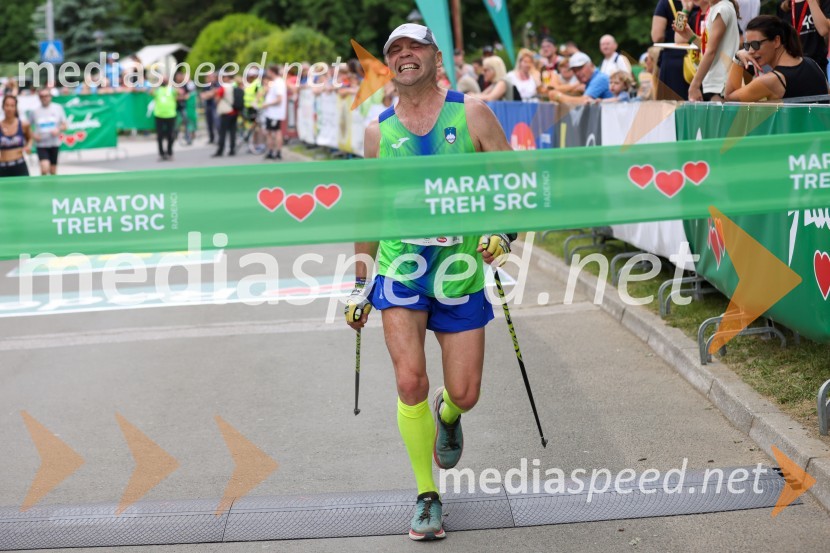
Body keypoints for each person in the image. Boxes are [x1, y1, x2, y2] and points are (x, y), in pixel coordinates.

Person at [345, 22, 513, 542]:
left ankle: (448, 413)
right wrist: (359, 284)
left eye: (414, 47)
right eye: (395, 50)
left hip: (460, 271)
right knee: (409, 381)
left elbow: (518, 187)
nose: (404, 56)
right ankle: (426, 495)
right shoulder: (378, 131)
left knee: (465, 392)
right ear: (388, 65)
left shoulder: (474, 114)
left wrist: (505, 237)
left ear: (436, 57)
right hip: (401, 272)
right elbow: (368, 212)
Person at [725, 15, 830, 100]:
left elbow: (729, 98)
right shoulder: (812, 63)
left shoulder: (772, 80)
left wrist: (738, 59)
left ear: (776, 41)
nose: (751, 51)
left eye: (756, 44)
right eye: (747, 46)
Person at [677, 0, 741, 102]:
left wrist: (694, 85)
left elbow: (711, 51)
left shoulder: (721, 9)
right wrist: (691, 36)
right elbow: (709, 48)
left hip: (720, 83)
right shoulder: (716, 8)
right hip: (717, 82)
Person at [777, 0, 830, 78]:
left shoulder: (824, 2)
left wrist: (812, 2)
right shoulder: (784, 4)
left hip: (817, 66)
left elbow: (823, 30)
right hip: (792, 67)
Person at [30, 87, 67, 175]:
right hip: (41, 144)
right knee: (44, 168)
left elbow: (65, 125)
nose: (44, 98)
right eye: (42, 96)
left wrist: (58, 129)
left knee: (53, 170)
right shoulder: (35, 111)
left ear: (50, 96)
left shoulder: (58, 108)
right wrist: (33, 135)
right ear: (39, 97)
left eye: (46, 96)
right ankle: (44, 186)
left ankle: (53, 187)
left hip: (54, 143)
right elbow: (27, 127)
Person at [0, 95, 32, 178]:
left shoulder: (23, 124)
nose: (9, 108)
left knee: (25, 190)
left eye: (12, 105)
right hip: (3, 167)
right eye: (7, 105)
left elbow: (30, 138)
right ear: (3, 107)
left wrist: (28, 146)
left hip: (19, 165)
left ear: (16, 107)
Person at [261, 64, 287, 160]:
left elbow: (279, 99)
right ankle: (271, 151)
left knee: (276, 132)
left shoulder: (279, 83)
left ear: (272, 71)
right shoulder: (275, 82)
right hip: (271, 112)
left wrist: (267, 104)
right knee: (270, 132)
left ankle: (277, 152)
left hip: (275, 113)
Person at [151, 74, 177, 161]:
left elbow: (180, 92)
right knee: (160, 136)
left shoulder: (171, 89)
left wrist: (172, 84)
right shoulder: (157, 89)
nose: (164, 81)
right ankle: (161, 153)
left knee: (170, 135)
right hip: (159, 115)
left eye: (165, 80)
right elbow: (150, 92)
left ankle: (169, 152)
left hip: (170, 115)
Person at [212, 72, 238, 157]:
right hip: (234, 111)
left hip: (226, 111)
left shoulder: (224, 87)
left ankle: (220, 150)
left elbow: (218, 99)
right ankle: (232, 149)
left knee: (222, 132)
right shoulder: (234, 86)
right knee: (232, 131)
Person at [199, 72, 220, 144]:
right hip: (208, 106)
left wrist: (209, 94)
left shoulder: (217, 84)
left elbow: (215, 93)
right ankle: (211, 138)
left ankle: (220, 138)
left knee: (217, 123)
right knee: (209, 123)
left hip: (215, 106)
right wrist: (210, 94)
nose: (209, 78)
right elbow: (202, 96)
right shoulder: (206, 86)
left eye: (211, 76)